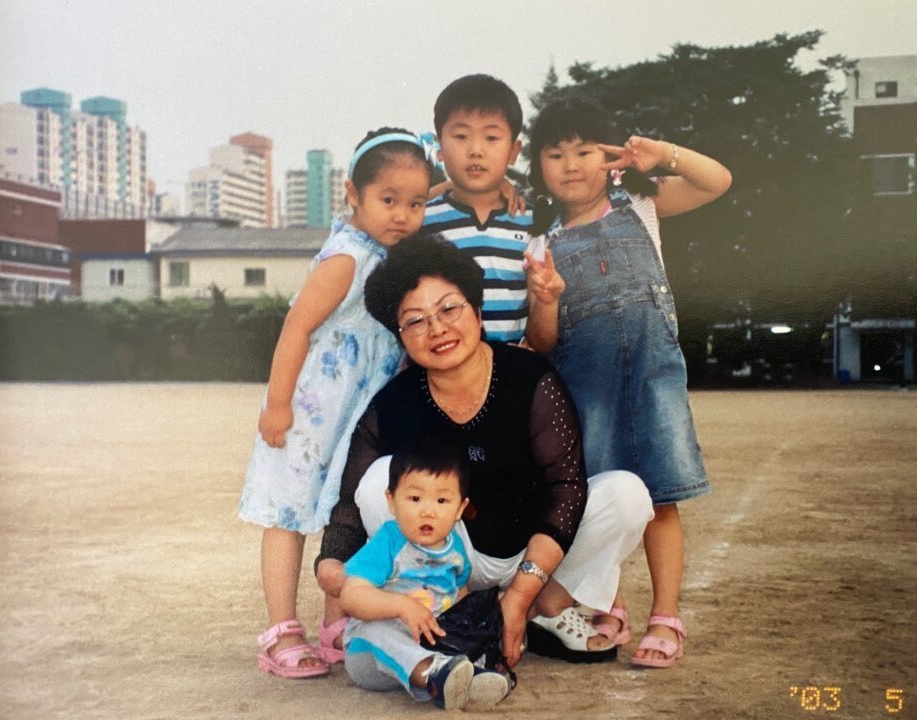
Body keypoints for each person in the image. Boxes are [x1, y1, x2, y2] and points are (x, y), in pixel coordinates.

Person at [314, 235, 655, 670]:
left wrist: (519, 594)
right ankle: (446, 612)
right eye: (415, 321)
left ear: (476, 310)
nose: (437, 328)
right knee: (380, 480)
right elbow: (351, 502)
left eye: (449, 309)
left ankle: (545, 606)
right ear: (401, 336)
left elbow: (566, 488)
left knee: (627, 494)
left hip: (534, 550)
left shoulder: (530, 378)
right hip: (449, 557)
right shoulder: (395, 402)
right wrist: (332, 565)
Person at [526, 97, 733, 668]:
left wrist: (659, 153)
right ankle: (602, 602)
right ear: (539, 167)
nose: (571, 164)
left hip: (653, 380)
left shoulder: (643, 205)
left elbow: (717, 180)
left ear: (611, 158)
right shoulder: (540, 245)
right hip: (583, 389)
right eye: (556, 153)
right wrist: (544, 302)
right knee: (599, 500)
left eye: (585, 150)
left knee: (662, 499)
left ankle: (665, 616)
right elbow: (542, 341)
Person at [238, 128, 432, 679]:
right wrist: (277, 405)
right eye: (388, 200)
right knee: (289, 512)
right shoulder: (347, 258)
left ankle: (336, 625)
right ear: (355, 194)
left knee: (343, 513)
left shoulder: (387, 256)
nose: (402, 215)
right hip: (309, 415)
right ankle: (280, 631)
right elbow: (296, 327)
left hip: (354, 418)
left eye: (415, 203)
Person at [339, 434, 513, 710]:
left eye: (442, 501)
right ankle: (435, 674)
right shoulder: (389, 542)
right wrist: (401, 607)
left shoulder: (456, 549)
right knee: (375, 630)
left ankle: (462, 676)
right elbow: (350, 595)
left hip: (429, 642)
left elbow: (460, 594)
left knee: (463, 630)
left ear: (460, 509)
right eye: (415, 498)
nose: (428, 511)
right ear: (392, 501)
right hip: (373, 655)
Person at [423, 74, 552, 348]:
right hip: (441, 375)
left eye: (491, 137)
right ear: (440, 147)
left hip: (510, 378)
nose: (476, 150)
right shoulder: (422, 222)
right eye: (461, 136)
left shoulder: (532, 224)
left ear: (514, 151)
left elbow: (542, 336)